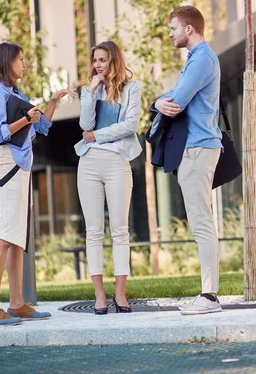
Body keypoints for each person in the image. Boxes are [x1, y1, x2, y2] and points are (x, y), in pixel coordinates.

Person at [0, 42, 75, 326]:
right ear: (7, 62)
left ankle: (17, 303)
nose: (25, 64)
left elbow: (42, 126)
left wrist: (53, 101)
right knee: (4, 237)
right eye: (21, 59)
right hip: (9, 168)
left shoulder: (15, 93)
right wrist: (24, 119)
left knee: (16, 240)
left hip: (21, 170)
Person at [153, 6, 223, 315]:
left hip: (197, 148)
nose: (170, 34)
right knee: (200, 221)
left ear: (189, 29)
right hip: (195, 148)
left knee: (201, 223)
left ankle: (209, 297)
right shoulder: (197, 59)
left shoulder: (202, 58)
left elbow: (176, 102)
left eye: (173, 29)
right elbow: (173, 96)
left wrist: (159, 101)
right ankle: (208, 294)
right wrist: (161, 100)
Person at [75, 41, 142, 315]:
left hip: (117, 162)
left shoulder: (132, 88)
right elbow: (84, 125)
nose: (97, 65)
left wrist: (98, 136)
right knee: (93, 232)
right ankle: (99, 295)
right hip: (89, 163)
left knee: (120, 231)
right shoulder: (89, 90)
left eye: (102, 60)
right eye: (95, 60)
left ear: (114, 60)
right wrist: (90, 93)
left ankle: (120, 295)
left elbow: (131, 125)